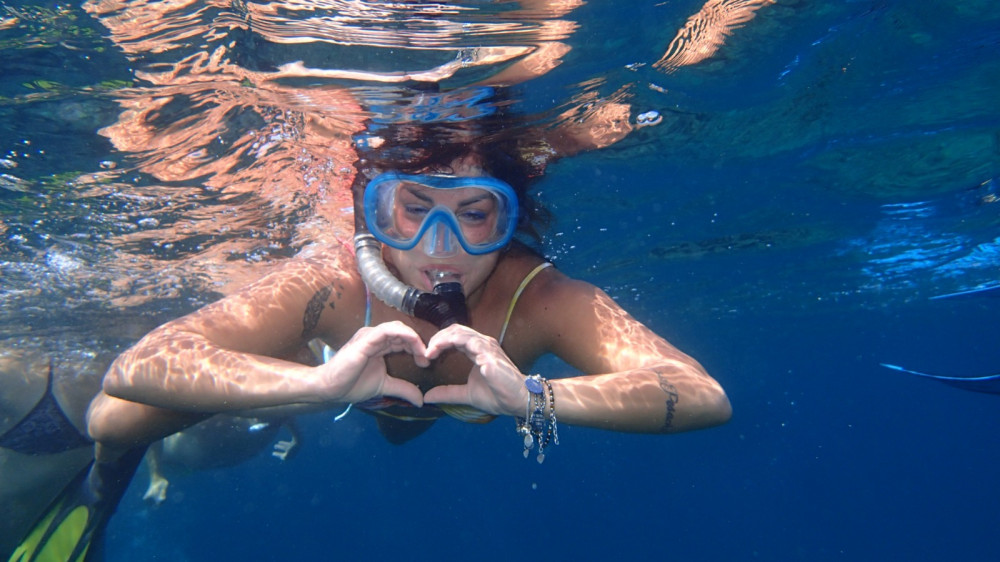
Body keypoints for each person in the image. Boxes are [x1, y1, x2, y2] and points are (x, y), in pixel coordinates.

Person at [85, 127, 732, 458]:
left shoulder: (537, 299)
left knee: (400, 432)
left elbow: (701, 393)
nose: (439, 247)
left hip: (413, 410)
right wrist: (315, 389)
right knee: (111, 423)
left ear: (508, 222)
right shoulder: (333, 282)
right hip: (330, 379)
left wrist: (538, 399)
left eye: (474, 214)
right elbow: (137, 365)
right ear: (376, 213)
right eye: (414, 209)